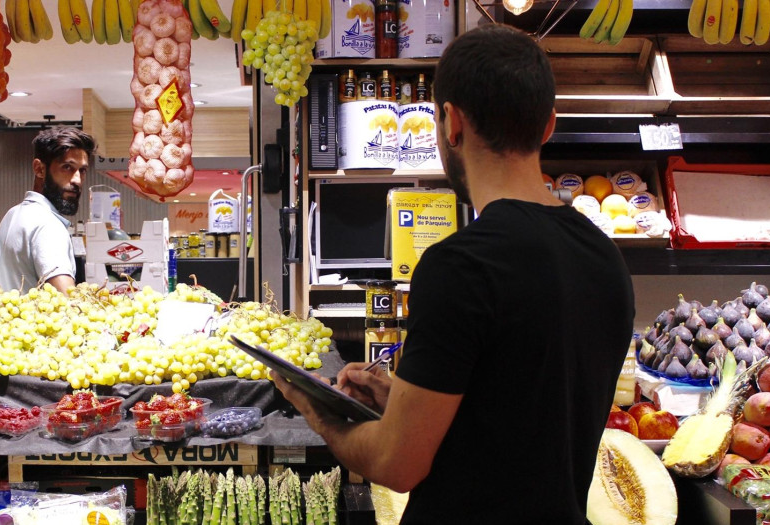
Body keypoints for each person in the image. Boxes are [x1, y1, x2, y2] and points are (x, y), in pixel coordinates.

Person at [272, 25, 635, 524]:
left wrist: (319, 413)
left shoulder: (458, 265)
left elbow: (395, 465)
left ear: (451, 122)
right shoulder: (605, 257)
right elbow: (519, 411)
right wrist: (398, 400)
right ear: (548, 126)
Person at [0, 127, 95, 293]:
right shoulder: (48, 226)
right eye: (67, 167)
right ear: (39, 169)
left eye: (82, 170)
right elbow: (69, 301)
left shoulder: (11, 216)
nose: (77, 180)